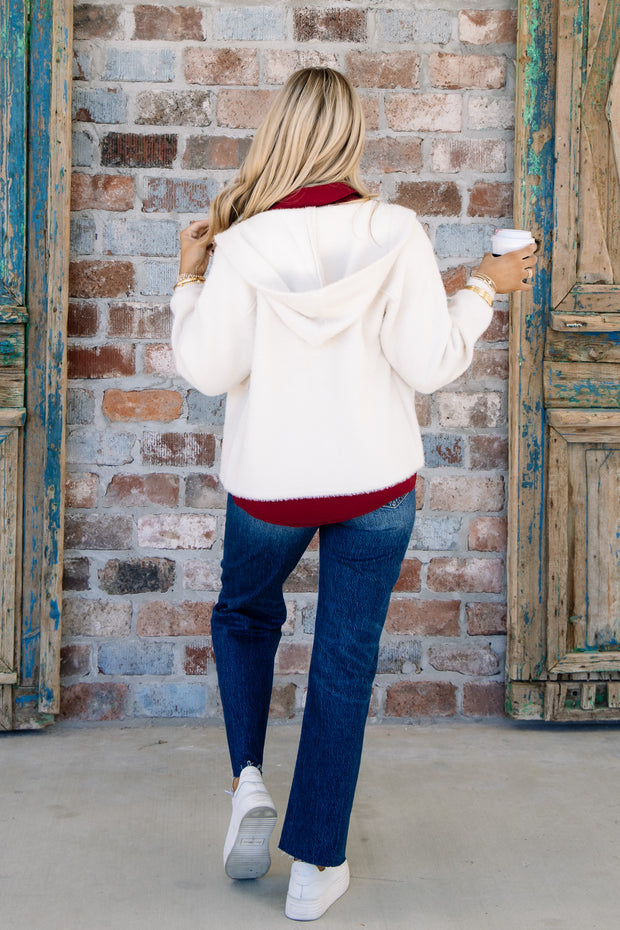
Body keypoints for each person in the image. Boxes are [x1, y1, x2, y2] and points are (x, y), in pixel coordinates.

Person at [170, 67, 537, 922]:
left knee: (244, 617)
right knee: (344, 660)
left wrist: (190, 278)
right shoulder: (396, 230)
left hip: (270, 489)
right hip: (375, 485)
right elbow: (430, 363)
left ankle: (248, 780)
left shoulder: (242, 244)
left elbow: (209, 370)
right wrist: (484, 287)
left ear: (278, 135)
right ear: (352, 135)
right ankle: (315, 867)